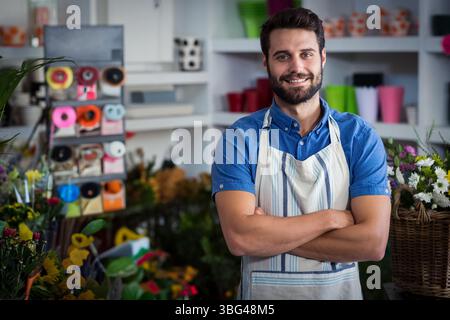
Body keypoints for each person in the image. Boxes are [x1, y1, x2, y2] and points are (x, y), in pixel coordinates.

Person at [211, 7, 391, 300]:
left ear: (322, 58)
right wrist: (331, 218)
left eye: (306, 54)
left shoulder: (358, 136)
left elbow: (372, 244)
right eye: (282, 56)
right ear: (266, 62)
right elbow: (240, 239)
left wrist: (268, 236)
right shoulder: (239, 138)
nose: (296, 67)